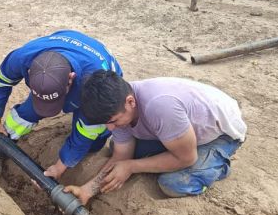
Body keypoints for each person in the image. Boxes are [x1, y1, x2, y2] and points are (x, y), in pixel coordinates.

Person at [65, 70, 247, 203]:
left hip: (221, 134)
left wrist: (132, 167)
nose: (110, 127)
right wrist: (88, 190)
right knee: (116, 147)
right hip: (179, 129)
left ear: (130, 102)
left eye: (113, 121)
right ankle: (176, 144)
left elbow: (187, 158)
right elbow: (121, 156)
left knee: (173, 184)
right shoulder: (116, 107)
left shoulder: (160, 107)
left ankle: (217, 164)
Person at [0, 30, 123, 179]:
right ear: (29, 72)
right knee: (28, 112)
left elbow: (87, 133)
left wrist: (60, 167)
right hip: (66, 53)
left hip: (100, 82)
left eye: (55, 100)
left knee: (94, 138)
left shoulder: (93, 83)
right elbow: (0, 82)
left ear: (70, 78)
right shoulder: (23, 57)